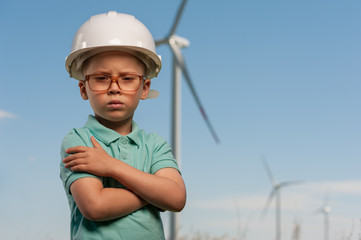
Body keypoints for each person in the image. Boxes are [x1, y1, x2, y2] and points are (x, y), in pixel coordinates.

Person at [60, 11, 186, 240]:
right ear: (83, 89)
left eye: (127, 78)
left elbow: (176, 198)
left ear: (144, 88)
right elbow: (95, 206)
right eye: (101, 78)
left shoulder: (155, 145)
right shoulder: (78, 141)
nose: (114, 88)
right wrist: (154, 192)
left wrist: (111, 166)